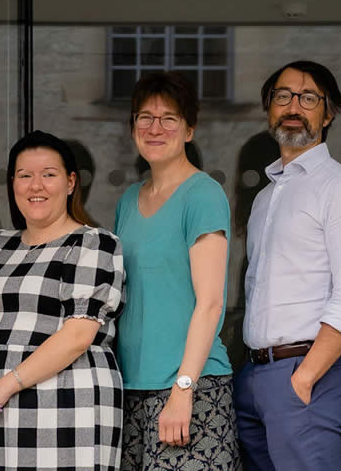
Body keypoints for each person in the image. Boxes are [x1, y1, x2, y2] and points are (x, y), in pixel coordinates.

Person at [235, 61, 341, 471]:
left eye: (308, 97)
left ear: (327, 113)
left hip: (304, 372)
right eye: (282, 96)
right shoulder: (265, 198)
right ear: (269, 109)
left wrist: (304, 378)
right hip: (255, 376)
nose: (293, 105)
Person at [0, 130, 125, 471]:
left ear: (70, 183)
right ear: (12, 184)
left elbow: (78, 336)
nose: (36, 186)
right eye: (25, 176)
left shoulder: (93, 243)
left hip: (69, 398)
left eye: (48, 175)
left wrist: (7, 384)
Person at [113, 73, 240, 470]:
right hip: (132, 390)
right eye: (145, 117)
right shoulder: (128, 200)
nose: (155, 128)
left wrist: (183, 389)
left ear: (189, 129)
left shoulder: (202, 195)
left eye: (169, 118)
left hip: (190, 388)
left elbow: (211, 302)